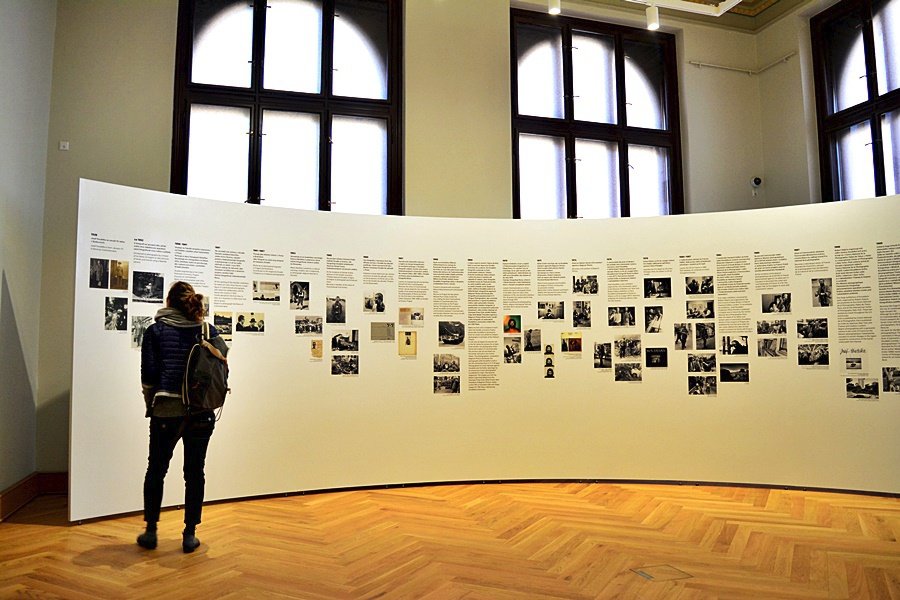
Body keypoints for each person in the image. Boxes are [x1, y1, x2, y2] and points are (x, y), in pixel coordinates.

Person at [138, 281, 222, 554]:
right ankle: (189, 534)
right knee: (195, 473)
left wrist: (151, 402)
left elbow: (149, 375)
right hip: (201, 411)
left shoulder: (155, 331)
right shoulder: (208, 330)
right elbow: (222, 364)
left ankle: (151, 531)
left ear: (169, 302)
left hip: (166, 411)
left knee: (156, 469)